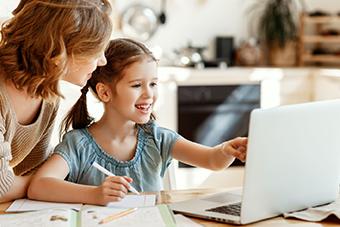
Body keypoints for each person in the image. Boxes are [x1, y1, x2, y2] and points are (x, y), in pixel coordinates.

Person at [28, 38, 248, 206]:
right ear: (104, 92)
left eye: (153, 84)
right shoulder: (78, 144)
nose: (149, 95)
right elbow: (39, 186)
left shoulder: (158, 138)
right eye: (136, 86)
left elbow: (211, 160)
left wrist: (227, 150)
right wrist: (94, 194)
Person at [0, 0, 112, 206]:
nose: (102, 60)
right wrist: (45, 184)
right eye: (96, 49)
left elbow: (33, 168)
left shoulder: (46, 93)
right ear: (59, 51)